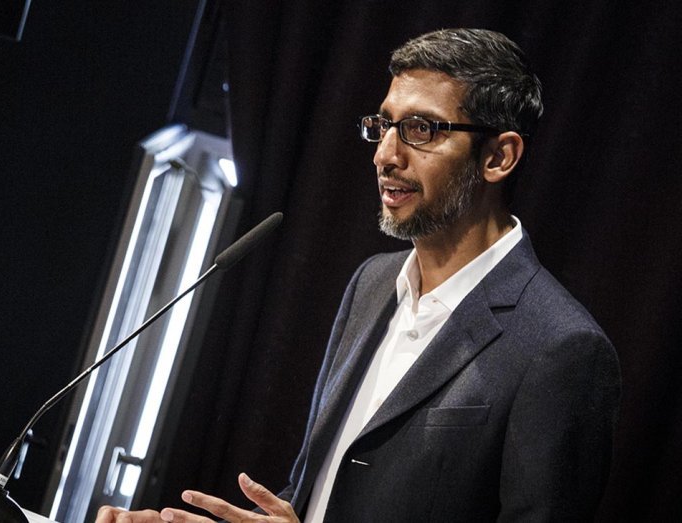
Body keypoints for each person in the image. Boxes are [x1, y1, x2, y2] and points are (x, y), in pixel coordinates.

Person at [96, 28, 621, 522]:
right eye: (384, 125)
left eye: (421, 129)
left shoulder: (561, 349)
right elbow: (323, 494)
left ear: (499, 157)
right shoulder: (371, 283)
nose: (385, 156)